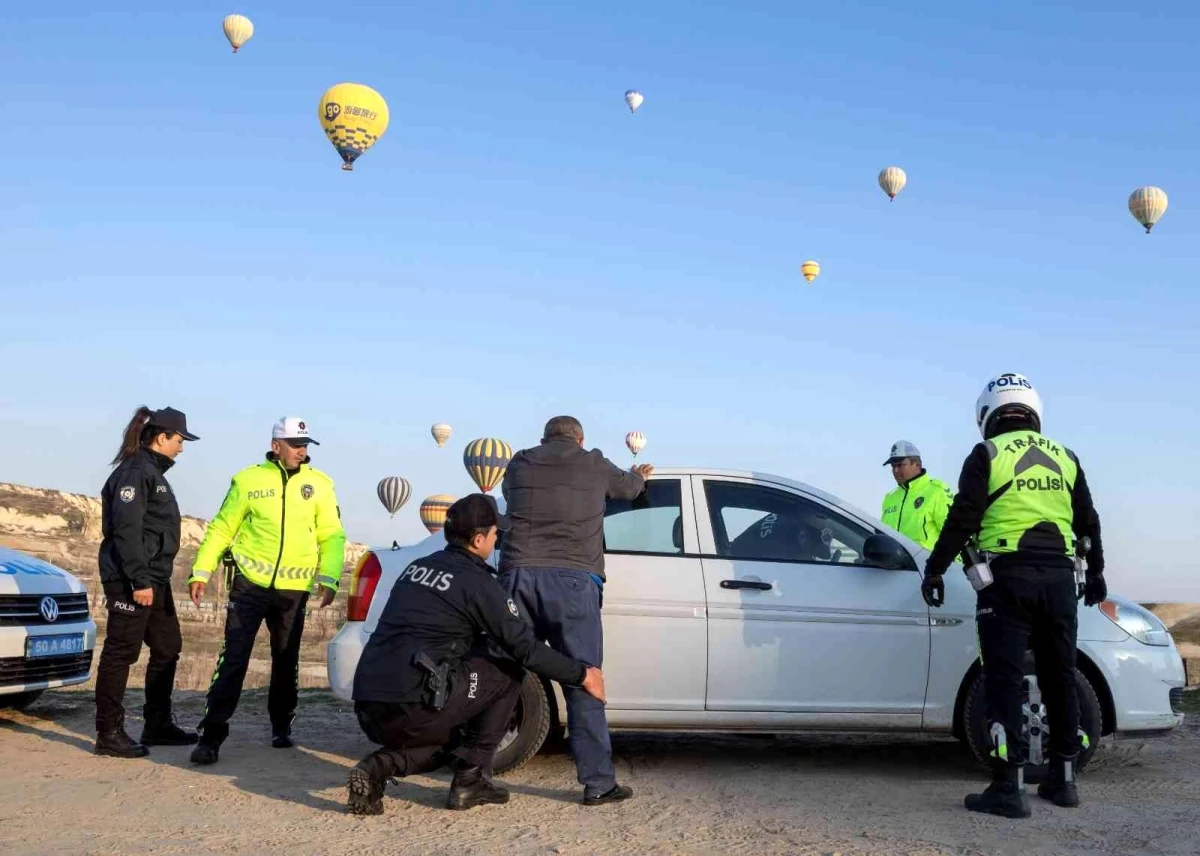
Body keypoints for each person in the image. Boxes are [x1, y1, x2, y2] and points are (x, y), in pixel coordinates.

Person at [348, 494, 607, 815]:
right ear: (479, 539)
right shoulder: (479, 583)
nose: (499, 538)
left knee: (455, 718)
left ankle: (379, 769)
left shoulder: (417, 567)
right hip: (412, 710)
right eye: (495, 533)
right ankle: (467, 778)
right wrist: (583, 674)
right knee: (505, 670)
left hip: (368, 706)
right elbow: (524, 648)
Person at [922, 373, 1106, 819]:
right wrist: (1096, 572)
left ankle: (1008, 788)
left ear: (988, 414)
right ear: (1033, 411)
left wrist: (935, 567)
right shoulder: (1066, 457)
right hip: (1061, 578)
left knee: (1004, 677)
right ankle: (1064, 782)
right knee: (1058, 674)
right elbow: (1088, 519)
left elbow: (964, 516)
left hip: (1006, 579)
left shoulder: (986, 453)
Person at [497, 415, 651, 806]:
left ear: (544, 438)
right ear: (580, 439)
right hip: (572, 582)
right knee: (585, 677)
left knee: (501, 676)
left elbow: (509, 495)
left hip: (518, 578)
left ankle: (471, 773)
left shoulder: (519, 462)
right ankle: (598, 783)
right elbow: (630, 490)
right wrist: (638, 474)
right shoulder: (594, 462)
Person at [186, 416, 346, 764]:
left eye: (306, 445)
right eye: (295, 444)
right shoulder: (248, 480)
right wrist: (201, 570)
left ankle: (281, 725)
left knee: (286, 660)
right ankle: (211, 736)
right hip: (249, 585)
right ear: (276, 446)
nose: (302, 451)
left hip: (294, 589)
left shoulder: (320, 484)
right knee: (234, 660)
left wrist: (330, 577)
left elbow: (332, 535)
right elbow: (221, 529)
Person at [95, 406, 201, 758]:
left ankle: (157, 724)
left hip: (154, 579)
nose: (182, 448)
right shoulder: (135, 473)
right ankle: (108, 732)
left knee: (168, 645)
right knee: (121, 652)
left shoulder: (154, 474)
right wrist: (139, 581)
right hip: (132, 579)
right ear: (162, 437)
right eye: (179, 440)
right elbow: (127, 531)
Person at [881, 440, 954, 550]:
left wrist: (954, 566)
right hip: (895, 566)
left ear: (917, 465)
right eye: (893, 466)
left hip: (928, 565)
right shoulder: (890, 498)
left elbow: (956, 534)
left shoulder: (937, 491)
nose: (895, 470)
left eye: (900, 465)